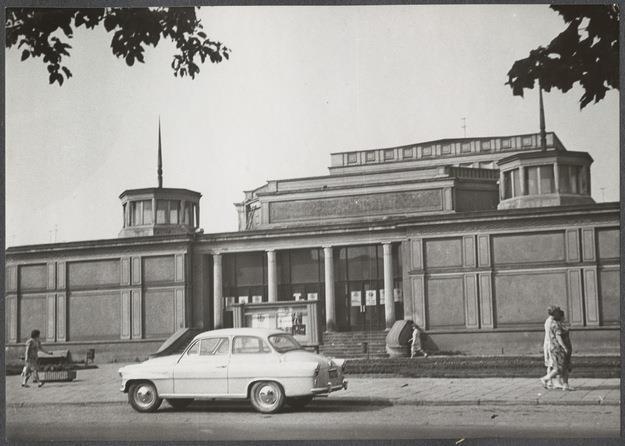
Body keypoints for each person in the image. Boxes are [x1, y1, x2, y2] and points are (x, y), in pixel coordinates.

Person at [540, 308, 573, 391]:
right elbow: (558, 336)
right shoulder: (554, 324)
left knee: (564, 367)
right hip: (558, 348)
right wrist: (564, 347)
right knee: (558, 368)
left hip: (556, 347)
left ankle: (565, 384)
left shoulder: (555, 323)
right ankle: (546, 379)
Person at [541, 306, 556, 389]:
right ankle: (547, 380)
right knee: (552, 364)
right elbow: (550, 334)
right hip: (550, 344)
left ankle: (549, 382)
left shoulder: (548, 320)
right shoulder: (551, 321)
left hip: (547, 343)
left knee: (550, 365)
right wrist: (552, 344)